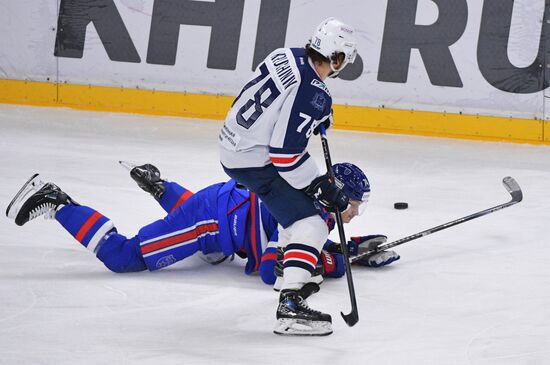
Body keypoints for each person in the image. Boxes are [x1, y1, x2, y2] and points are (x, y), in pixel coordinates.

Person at [5, 163, 398, 287]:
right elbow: (269, 270)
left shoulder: (317, 203)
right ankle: (58, 202)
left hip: (223, 209)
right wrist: (334, 263)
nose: (356, 214)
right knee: (123, 256)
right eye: (356, 206)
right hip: (208, 221)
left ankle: (160, 187)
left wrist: (351, 247)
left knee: (199, 217)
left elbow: (298, 245)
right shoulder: (297, 213)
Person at [219, 17, 360, 335]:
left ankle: (287, 267)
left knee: (295, 207)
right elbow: (284, 155)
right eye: (343, 61)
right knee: (310, 221)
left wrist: (311, 116)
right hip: (254, 160)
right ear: (337, 57)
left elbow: (272, 103)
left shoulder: (284, 54)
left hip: (231, 142)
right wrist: (320, 185)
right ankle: (291, 304)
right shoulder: (315, 92)